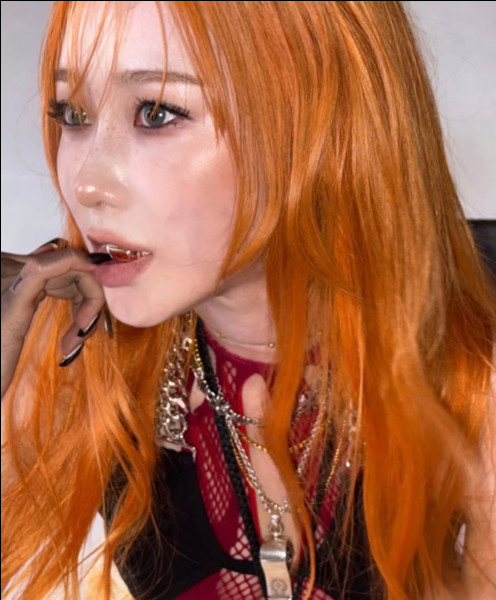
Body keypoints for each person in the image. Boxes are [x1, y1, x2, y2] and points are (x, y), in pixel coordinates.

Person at [1, 1, 495, 599]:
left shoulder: (475, 366)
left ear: (323, 122)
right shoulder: (66, 362)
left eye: (157, 112)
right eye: (72, 113)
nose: (86, 183)